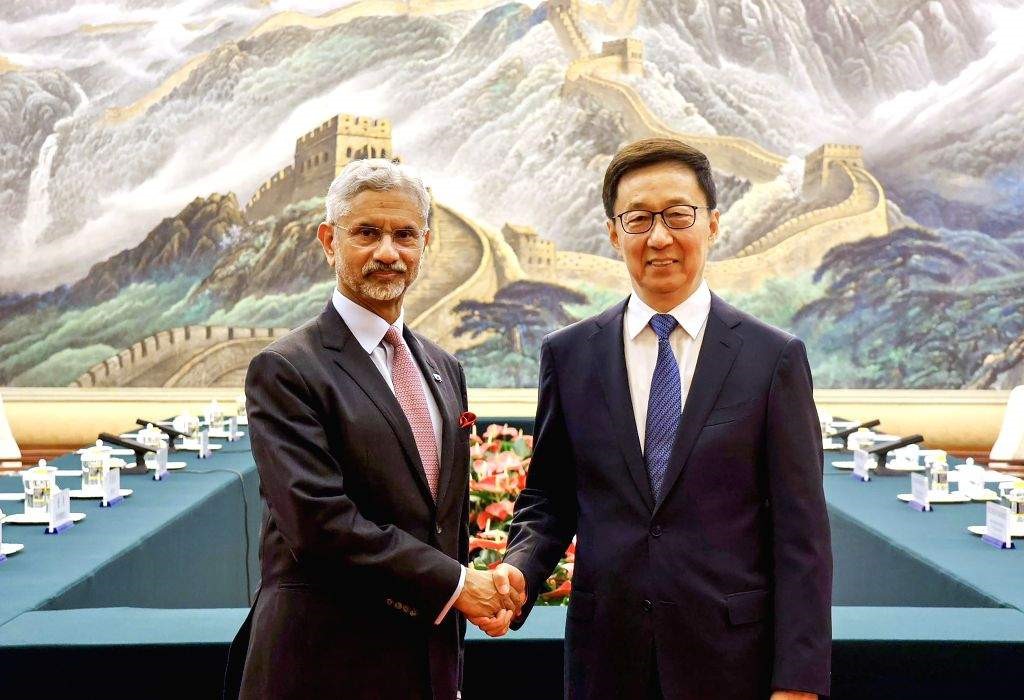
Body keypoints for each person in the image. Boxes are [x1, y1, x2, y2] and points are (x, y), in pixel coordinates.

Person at [495, 138, 833, 699]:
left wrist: (798, 682)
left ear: (712, 224)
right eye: (638, 219)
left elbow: (802, 535)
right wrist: (520, 568)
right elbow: (549, 497)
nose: (658, 237)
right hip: (605, 660)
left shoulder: (772, 359)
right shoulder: (570, 356)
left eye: (678, 215)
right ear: (614, 233)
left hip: (730, 662)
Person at [225, 159, 517, 699]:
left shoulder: (444, 368)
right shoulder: (286, 369)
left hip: (428, 669)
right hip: (323, 668)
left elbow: (441, 523)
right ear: (329, 242)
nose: (388, 252)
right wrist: (457, 586)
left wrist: (475, 595)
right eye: (367, 233)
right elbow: (318, 524)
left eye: (404, 234)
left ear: (425, 244)